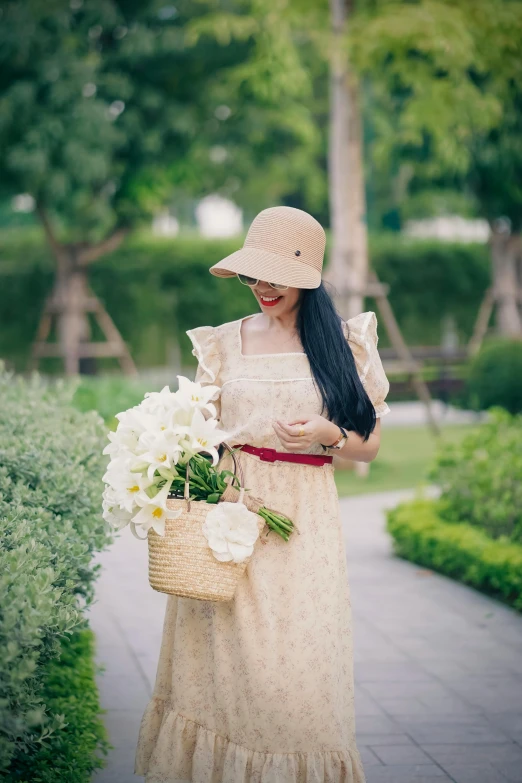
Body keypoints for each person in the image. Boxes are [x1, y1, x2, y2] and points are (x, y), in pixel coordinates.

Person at [134, 206, 390, 783]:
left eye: (274, 275)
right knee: (224, 668)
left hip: (306, 524)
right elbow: (198, 433)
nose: (261, 287)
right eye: (253, 275)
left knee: (295, 668)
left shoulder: (343, 344)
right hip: (230, 516)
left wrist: (330, 436)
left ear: (308, 275)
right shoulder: (224, 343)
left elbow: (369, 443)